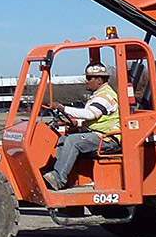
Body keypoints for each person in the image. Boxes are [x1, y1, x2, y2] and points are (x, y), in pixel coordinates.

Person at [42, 62, 121, 191]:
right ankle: (56, 174)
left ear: (99, 80)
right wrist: (78, 123)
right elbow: (96, 119)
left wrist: (63, 108)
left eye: (89, 78)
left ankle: (58, 179)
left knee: (73, 141)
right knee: (63, 139)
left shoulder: (105, 96)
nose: (86, 81)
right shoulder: (97, 95)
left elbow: (90, 114)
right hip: (97, 135)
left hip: (108, 139)